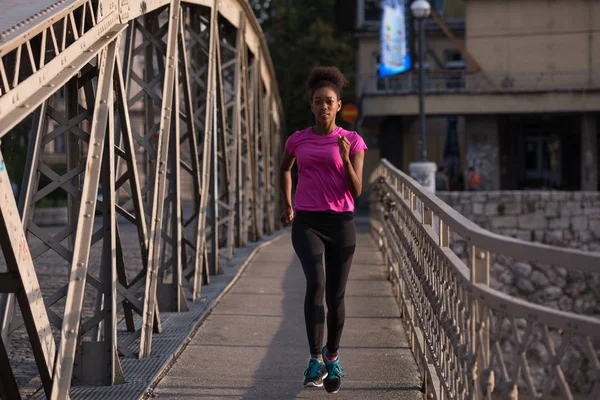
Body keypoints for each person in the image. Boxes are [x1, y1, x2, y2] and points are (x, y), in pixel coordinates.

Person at [279, 66, 367, 393]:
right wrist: (287, 204)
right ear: (312, 106)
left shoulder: (353, 141)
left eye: (329, 101)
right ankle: (315, 359)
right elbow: (285, 169)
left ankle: (333, 356)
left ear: (339, 105)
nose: (324, 107)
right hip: (307, 222)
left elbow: (356, 190)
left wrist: (344, 158)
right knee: (315, 283)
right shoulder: (297, 140)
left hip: (341, 223)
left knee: (336, 295)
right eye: (318, 101)